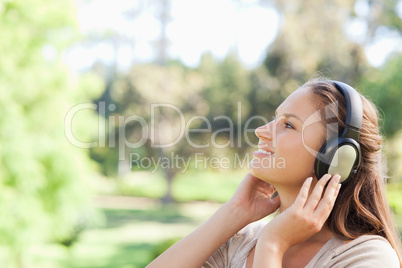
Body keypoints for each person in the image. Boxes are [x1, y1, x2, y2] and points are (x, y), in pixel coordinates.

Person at [147, 78, 402, 267]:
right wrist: (234, 212)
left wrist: (273, 244)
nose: (261, 131)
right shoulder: (240, 243)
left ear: (336, 158)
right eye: (275, 119)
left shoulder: (367, 258)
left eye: (288, 125)